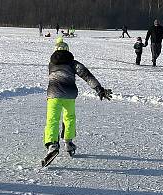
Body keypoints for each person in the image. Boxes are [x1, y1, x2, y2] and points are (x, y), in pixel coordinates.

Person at [41, 37, 112, 167]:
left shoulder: (51, 64)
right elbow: (86, 75)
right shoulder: (73, 63)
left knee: (52, 120)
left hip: (53, 95)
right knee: (69, 118)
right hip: (69, 95)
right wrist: (99, 89)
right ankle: (68, 143)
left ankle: (52, 144)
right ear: (68, 50)